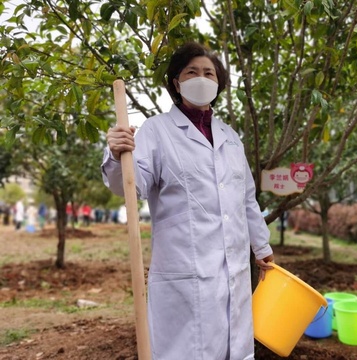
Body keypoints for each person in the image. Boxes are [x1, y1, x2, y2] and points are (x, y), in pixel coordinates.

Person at [101, 41, 274, 360]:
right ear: (176, 82)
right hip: (184, 275)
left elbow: (246, 198)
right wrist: (116, 154)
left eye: (209, 73)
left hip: (233, 272)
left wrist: (261, 248)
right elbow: (128, 186)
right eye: (191, 71)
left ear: (219, 84)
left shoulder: (230, 137)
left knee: (233, 349)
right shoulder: (156, 131)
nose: (201, 78)